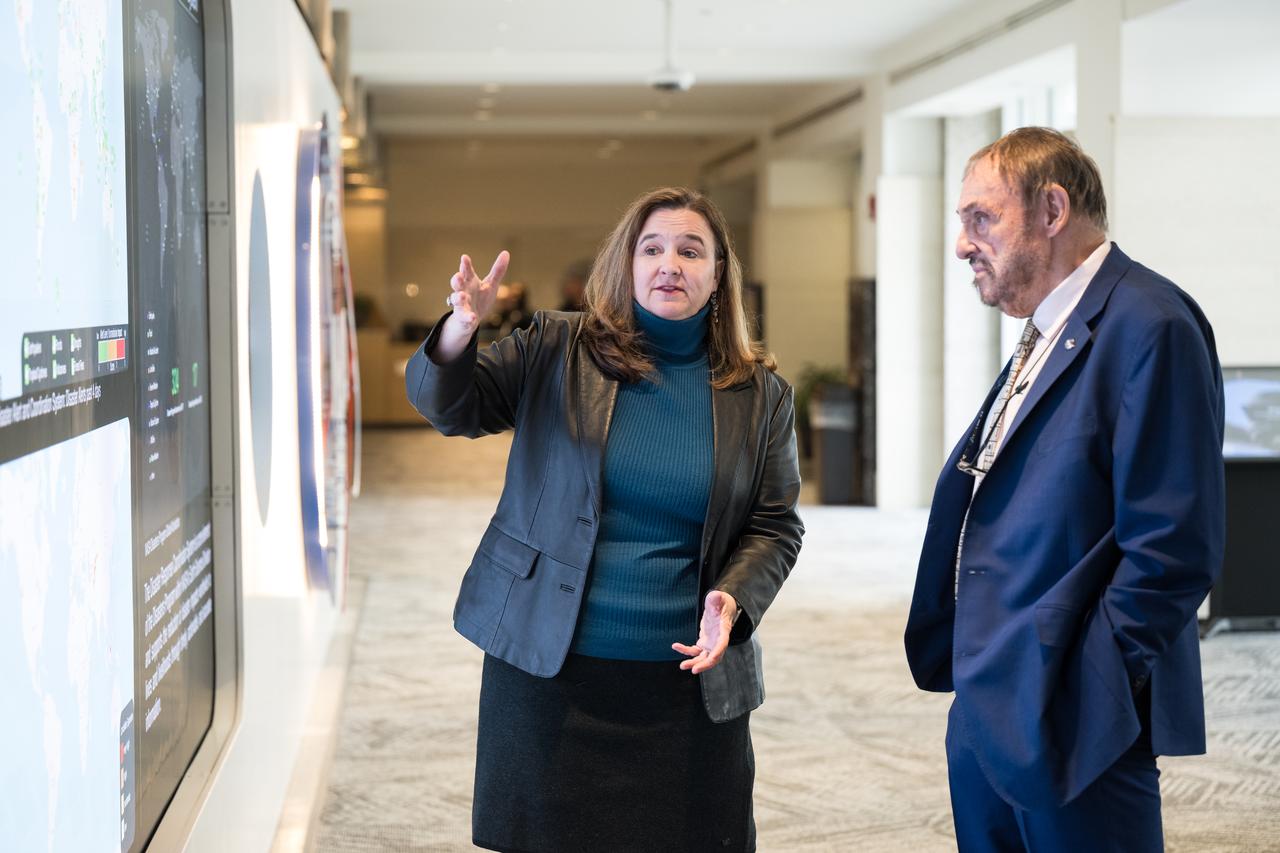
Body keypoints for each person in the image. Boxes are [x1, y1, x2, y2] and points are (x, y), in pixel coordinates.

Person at [405, 187, 804, 853]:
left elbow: (775, 523)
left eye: (689, 249)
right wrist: (461, 328)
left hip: (686, 688)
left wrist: (733, 597)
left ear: (718, 273)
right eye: (651, 248)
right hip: (552, 674)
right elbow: (455, 407)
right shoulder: (557, 350)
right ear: (627, 264)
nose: (668, 263)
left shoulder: (761, 396)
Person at [904, 127, 1224, 852]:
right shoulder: (1046, 327)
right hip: (993, 699)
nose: (962, 243)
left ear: (1052, 211)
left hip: (1071, 715)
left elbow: (1174, 549)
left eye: (980, 217)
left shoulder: (1152, 325)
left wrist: (1087, 692)